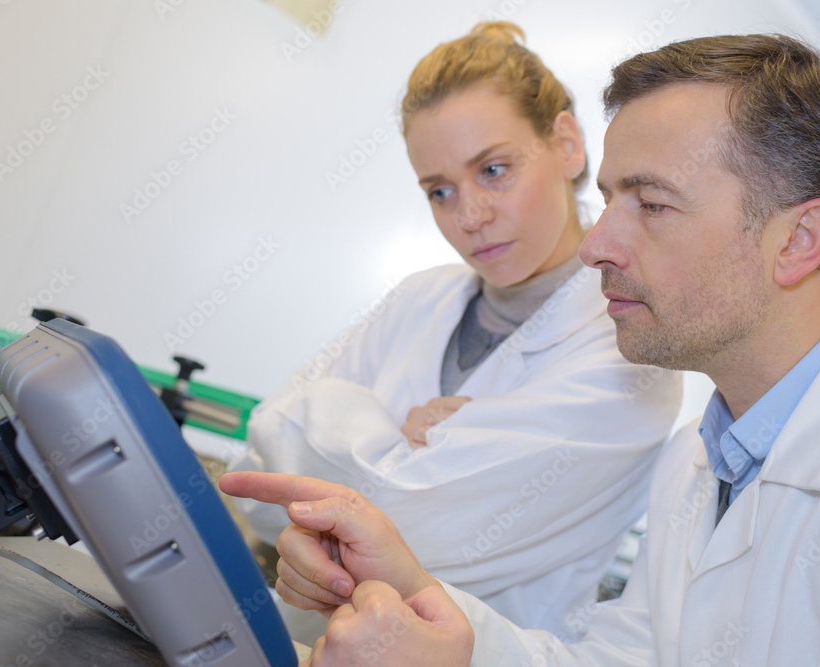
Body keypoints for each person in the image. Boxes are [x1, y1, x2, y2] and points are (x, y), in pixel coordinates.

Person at [220, 33, 820, 666]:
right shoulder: (702, 456)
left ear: (800, 239)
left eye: (651, 203)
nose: (595, 245)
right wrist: (431, 610)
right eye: (610, 198)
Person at [227, 21, 682, 640]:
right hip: (305, 644)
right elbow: (258, 467)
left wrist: (326, 416)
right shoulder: (421, 297)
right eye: (439, 190)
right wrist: (390, 452)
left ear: (568, 144)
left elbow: (407, 523)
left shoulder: (629, 355)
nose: (470, 216)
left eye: (494, 169)